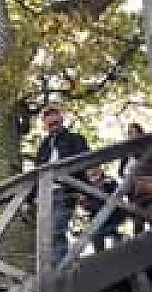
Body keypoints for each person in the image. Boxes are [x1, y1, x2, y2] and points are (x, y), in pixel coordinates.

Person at [35, 104, 89, 264]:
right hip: (46, 194)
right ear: (45, 125)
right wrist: (31, 198)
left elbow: (84, 162)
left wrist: (84, 190)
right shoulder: (44, 146)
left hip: (66, 190)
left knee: (56, 230)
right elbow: (37, 172)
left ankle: (59, 268)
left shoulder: (75, 139)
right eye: (49, 124)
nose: (53, 127)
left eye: (55, 123)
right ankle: (57, 266)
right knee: (47, 234)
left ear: (61, 120)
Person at [120, 122, 152, 232]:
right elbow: (120, 171)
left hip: (150, 190)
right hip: (133, 193)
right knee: (138, 221)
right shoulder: (126, 152)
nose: (131, 135)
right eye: (129, 133)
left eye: (134, 132)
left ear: (140, 133)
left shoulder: (149, 149)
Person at [80, 166, 126, 252]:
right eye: (89, 171)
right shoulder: (85, 185)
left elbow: (117, 200)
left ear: (100, 170)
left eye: (95, 170)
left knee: (114, 237)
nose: (92, 172)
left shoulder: (110, 182)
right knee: (96, 236)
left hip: (113, 217)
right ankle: (100, 254)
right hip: (97, 219)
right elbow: (84, 204)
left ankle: (118, 250)